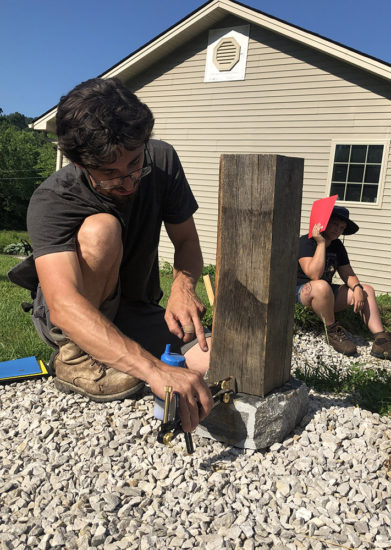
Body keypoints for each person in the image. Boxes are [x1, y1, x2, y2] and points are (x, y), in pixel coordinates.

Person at [9, 77, 214, 432]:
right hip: (73, 318)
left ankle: (122, 345)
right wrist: (153, 369)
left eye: (135, 164)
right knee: (101, 229)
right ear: (80, 164)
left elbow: (187, 242)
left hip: (134, 306)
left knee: (215, 359)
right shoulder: (53, 200)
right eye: (110, 174)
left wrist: (183, 285)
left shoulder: (162, 160)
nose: (130, 181)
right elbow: (64, 305)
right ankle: (75, 359)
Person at [296, 205, 391, 358]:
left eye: (342, 227)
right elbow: (314, 274)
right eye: (335, 224)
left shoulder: (337, 245)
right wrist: (320, 244)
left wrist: (358, 288)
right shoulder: (306, 242)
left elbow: (348, 273)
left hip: (325, 295)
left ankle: (381, 340)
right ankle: (333, 331)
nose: (338, 230)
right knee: (321, 285)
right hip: (301, 292)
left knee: (367, 289)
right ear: (324, 222)